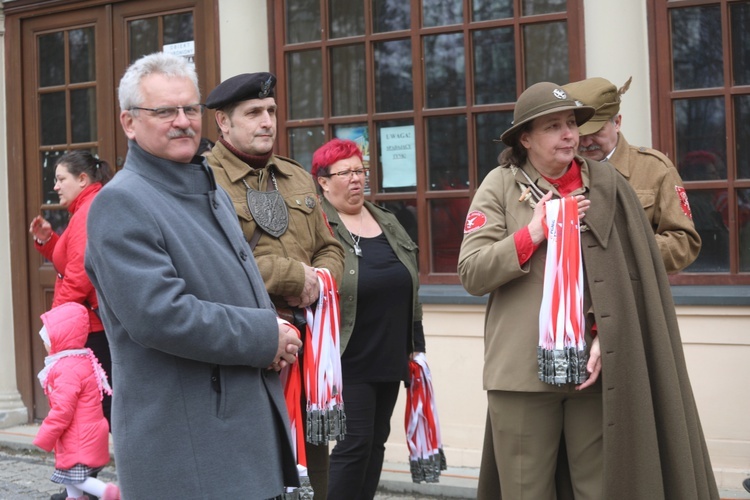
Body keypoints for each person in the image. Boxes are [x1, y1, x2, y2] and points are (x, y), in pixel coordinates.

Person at [458, 82, 719, 499]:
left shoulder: (606, 182)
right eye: (554, 127)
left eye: (571, 125)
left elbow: (627, 270)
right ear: (525, 138)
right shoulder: (500, 186)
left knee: (599, 489)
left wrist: (604, 335)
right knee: (526, 491)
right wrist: (533, 232)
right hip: (522, 372)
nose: (569, 135)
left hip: (596, 366)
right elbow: (472, 272)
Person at [84, 52, 302, 499]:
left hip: (238, 433)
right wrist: (265, 336)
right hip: (187, 448)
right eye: (164, 111)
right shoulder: (121, 202)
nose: (182, 121)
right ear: (129, 122)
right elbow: (161, 316)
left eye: (188, 108)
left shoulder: (204, 185)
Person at [204, 72, 345, 497]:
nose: (267, 121)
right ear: (223, 123)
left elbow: (331, 248)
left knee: (311, 476)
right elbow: (212, 265)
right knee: (252, 476)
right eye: (253, 113)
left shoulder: (296, 177)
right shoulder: (203, 181)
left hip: (308, 351)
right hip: (247, 354)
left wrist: (319, 281)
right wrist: (289, 276)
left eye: (271, 112)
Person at [310, 139, 426, 500]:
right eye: (345, 173)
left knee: (376, 444)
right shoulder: (317, 225)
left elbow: (410, 285)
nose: (356, 179)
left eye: (360, 170)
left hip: (389, 354)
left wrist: (417, 349)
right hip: (347, 357)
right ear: (324, 182)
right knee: (354, 445)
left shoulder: (388, 220)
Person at [562, 76, 701, 273]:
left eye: (596, 131)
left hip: (633, 294)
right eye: (580, 133)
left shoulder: (654, 169)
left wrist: (625, 252)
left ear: (617, 122)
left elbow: (684, 243)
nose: (585, 142)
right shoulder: (557, 169)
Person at [29, 150, 115, 428]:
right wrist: (49, 240)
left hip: (92, 328)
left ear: (81, 179)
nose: (54, 186)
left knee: (99, 409)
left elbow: (79, 276)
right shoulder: (86, 208)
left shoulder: (87, 211)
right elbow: (72, 261)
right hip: (89, 323)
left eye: (60, 179)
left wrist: (53, 328)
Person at [34, 302, 120, 500]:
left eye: (46, 339)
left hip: (79, 435)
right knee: (69, 477)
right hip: (85, 432)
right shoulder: (80, 360)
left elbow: (63, 409)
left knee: (76, 477)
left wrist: (46, 435)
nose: (45, 345)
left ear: (60, 339)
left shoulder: (66, 369)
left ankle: (107, 492)